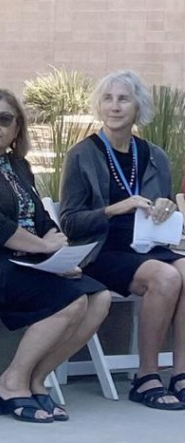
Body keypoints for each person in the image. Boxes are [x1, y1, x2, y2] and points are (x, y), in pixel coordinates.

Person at [0, 89, 111, 422]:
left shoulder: (18, 166)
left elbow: (41, 219)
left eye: (4, 119)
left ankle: (35, 380)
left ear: (16, 129)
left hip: (23, 262)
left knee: (99, 297)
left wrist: (57, 250)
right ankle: (10, 383)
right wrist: (44, 248)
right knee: (70, 301)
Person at [61, 70, 185, 410]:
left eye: (123, 99)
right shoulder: (82, 154)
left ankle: (181, 374)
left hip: (149, 247)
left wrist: (165, 205)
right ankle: (146, 377)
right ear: (99, 106)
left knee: (182, 270)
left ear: (137, 107)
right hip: (103, 251)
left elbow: (161, 207)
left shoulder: (155, 155)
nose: (114, 106)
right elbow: (69, 222)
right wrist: (115, 208)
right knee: (166, 276)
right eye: (108, 98)